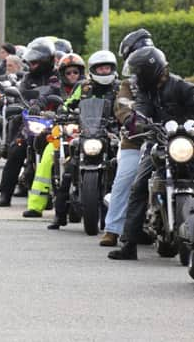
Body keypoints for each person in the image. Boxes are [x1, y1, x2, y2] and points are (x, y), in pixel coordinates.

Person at [108, 46, 194, 260]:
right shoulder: (146, 92)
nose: (135, 76)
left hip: (184, 142)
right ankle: (128, 244)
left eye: (138, 72)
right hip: (159, 141)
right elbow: (140, 113)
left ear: (149, 71)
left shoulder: (180, 86)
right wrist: (135, 123)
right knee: (138, 186)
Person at [46, 50, 120, 227]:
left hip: (112, 132)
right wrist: (62, 113)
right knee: (70, 169)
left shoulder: (119, 87)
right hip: (88, 131)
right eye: (100, 69)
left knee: (118, 166)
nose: (103, 72)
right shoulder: (84, 87)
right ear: (93, 70)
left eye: (107, 68)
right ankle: (60, 215)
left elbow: (128, 108)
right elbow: (69, 103)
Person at [99, 28, 154, 246]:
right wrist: (135, 121)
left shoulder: (167, 79)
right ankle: (113, 229)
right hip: (136, 139)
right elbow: (122, 106)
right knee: (124, 179)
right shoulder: (128, 85)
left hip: (165, 140)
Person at [0, 37, 61, 207]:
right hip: (31, 123)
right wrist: (18, 104)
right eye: (30, 60)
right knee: (16, 150)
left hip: (53, 123)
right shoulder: (27, 79)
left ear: (46, 59)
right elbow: (20, 93)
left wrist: (44, 105)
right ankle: (5, 193)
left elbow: (55, 91)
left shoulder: (57, 77)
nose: (31, 63)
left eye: (35, 60)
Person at [23, 52, 86, 218]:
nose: (72, 76)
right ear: (62, 74)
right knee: (47, 157)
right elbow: (43, 98)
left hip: (87, 133)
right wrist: (37, 106)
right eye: (68, 73)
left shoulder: (88, 88)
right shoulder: (55, 87)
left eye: (76, 72)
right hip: (63, 131)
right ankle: (36, 206)